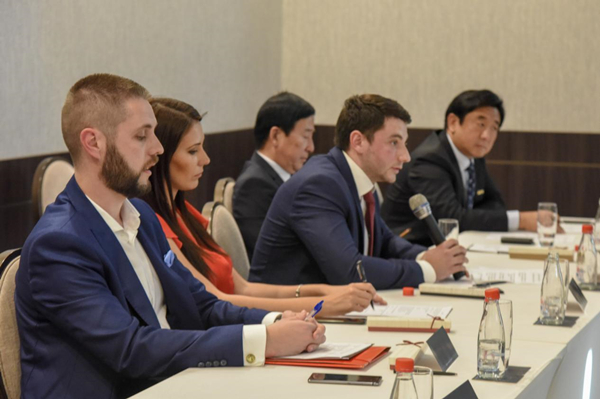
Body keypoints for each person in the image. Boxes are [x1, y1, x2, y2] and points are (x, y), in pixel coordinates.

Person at [15, 73, 325, 399]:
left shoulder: (142, 216)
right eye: (141, 136)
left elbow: (200, 304)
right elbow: (131, 349)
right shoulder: (59, 245)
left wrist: (274, 321)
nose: (158, 149)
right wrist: (267, 342)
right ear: (93, 143)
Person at [144, 97, 384, 316]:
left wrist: (326, 292)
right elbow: (215, 300)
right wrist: (323, 305)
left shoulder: (186, 214)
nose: (206, 159)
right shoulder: (154, 223)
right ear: (159, 155)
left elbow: (244, 287)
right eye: (193, 151)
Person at [250, 94, 468, 290]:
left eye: (405, 144)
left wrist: (427, 256)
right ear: (358, 141)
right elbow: (350, 271)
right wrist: (427, 270)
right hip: (288, 316)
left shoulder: (355, 179)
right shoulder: (319, 185)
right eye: (394, 142)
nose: (405, 156)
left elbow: (385, 241)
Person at [381, 90, 542, 246]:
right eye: (481, 124)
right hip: (407, 249)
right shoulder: (429, 160)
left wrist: (469, 216)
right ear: (453, 123)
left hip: (447, 247)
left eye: (494, 127)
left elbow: (496, 204)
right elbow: (451, 218)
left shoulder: (473, 157)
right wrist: (521, 220)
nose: (487, 135)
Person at [233, 92, 315, 259]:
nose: (311, 147)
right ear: (276, 136)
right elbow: (273, 256)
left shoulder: (290, 179)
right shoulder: (253, 186)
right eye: (306, 136)